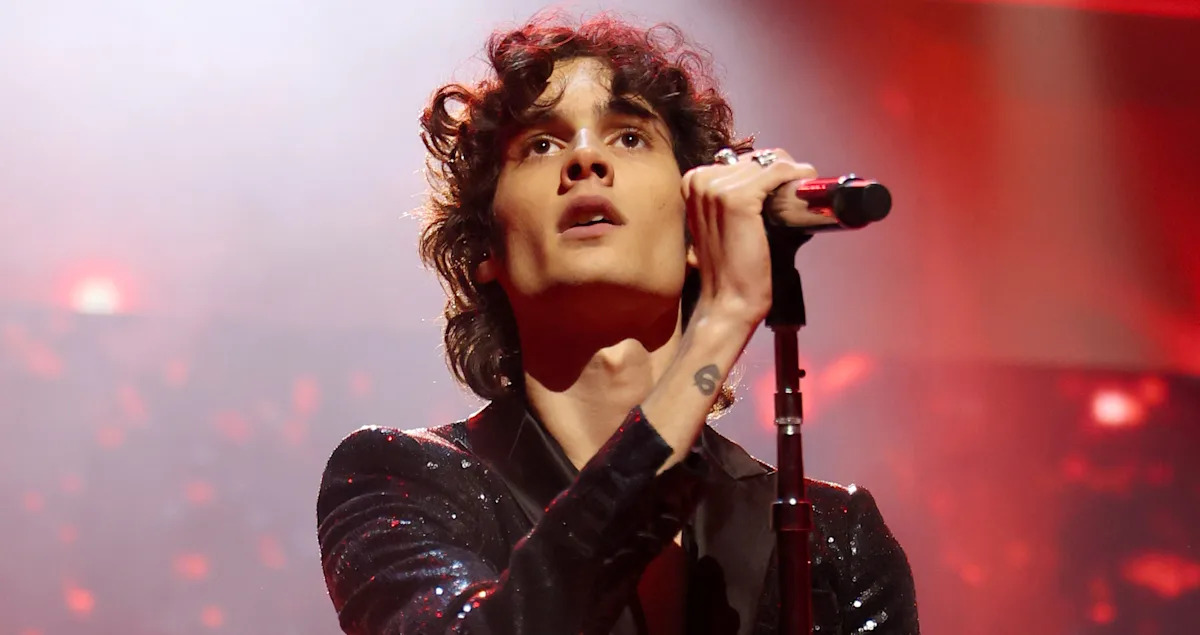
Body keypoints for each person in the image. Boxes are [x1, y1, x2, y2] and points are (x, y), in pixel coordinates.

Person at [316, 13, 919, 635]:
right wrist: (721, 320)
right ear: (486, 247)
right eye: (540, 145)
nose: (586, 159)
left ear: (696, 227)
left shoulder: (834, 539)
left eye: (629, 137)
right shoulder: (399, 478)